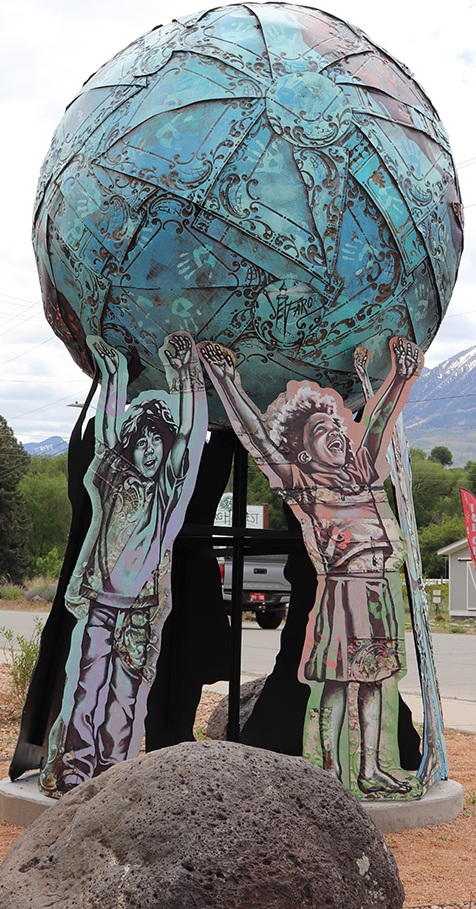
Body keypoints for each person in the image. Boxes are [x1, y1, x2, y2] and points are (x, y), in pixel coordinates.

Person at [199, 336, 423, 797]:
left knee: (376, 681)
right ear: (305, 452)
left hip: (378, 591)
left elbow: (377, 424)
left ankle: (370, 769)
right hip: (341, 593)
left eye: (337, 427)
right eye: (323, 431)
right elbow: (258, 439)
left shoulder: (361, 471)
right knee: (339, 683)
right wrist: (225, 381)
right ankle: (329, 767)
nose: (337, 433)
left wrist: (400, 375)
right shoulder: (303, 484)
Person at [40, 332, 206, 796]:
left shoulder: (167, 493)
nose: (151, 451)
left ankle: (116, 770)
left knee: (125, 698)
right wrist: (114, 375)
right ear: (131, 447)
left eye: (159, 442)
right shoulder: (116, 479)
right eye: (143, 442)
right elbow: (108, 431)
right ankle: (75, 768)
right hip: (101, 606)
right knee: (87, 687)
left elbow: (190, 438)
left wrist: (185, 377)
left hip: (139, 610)